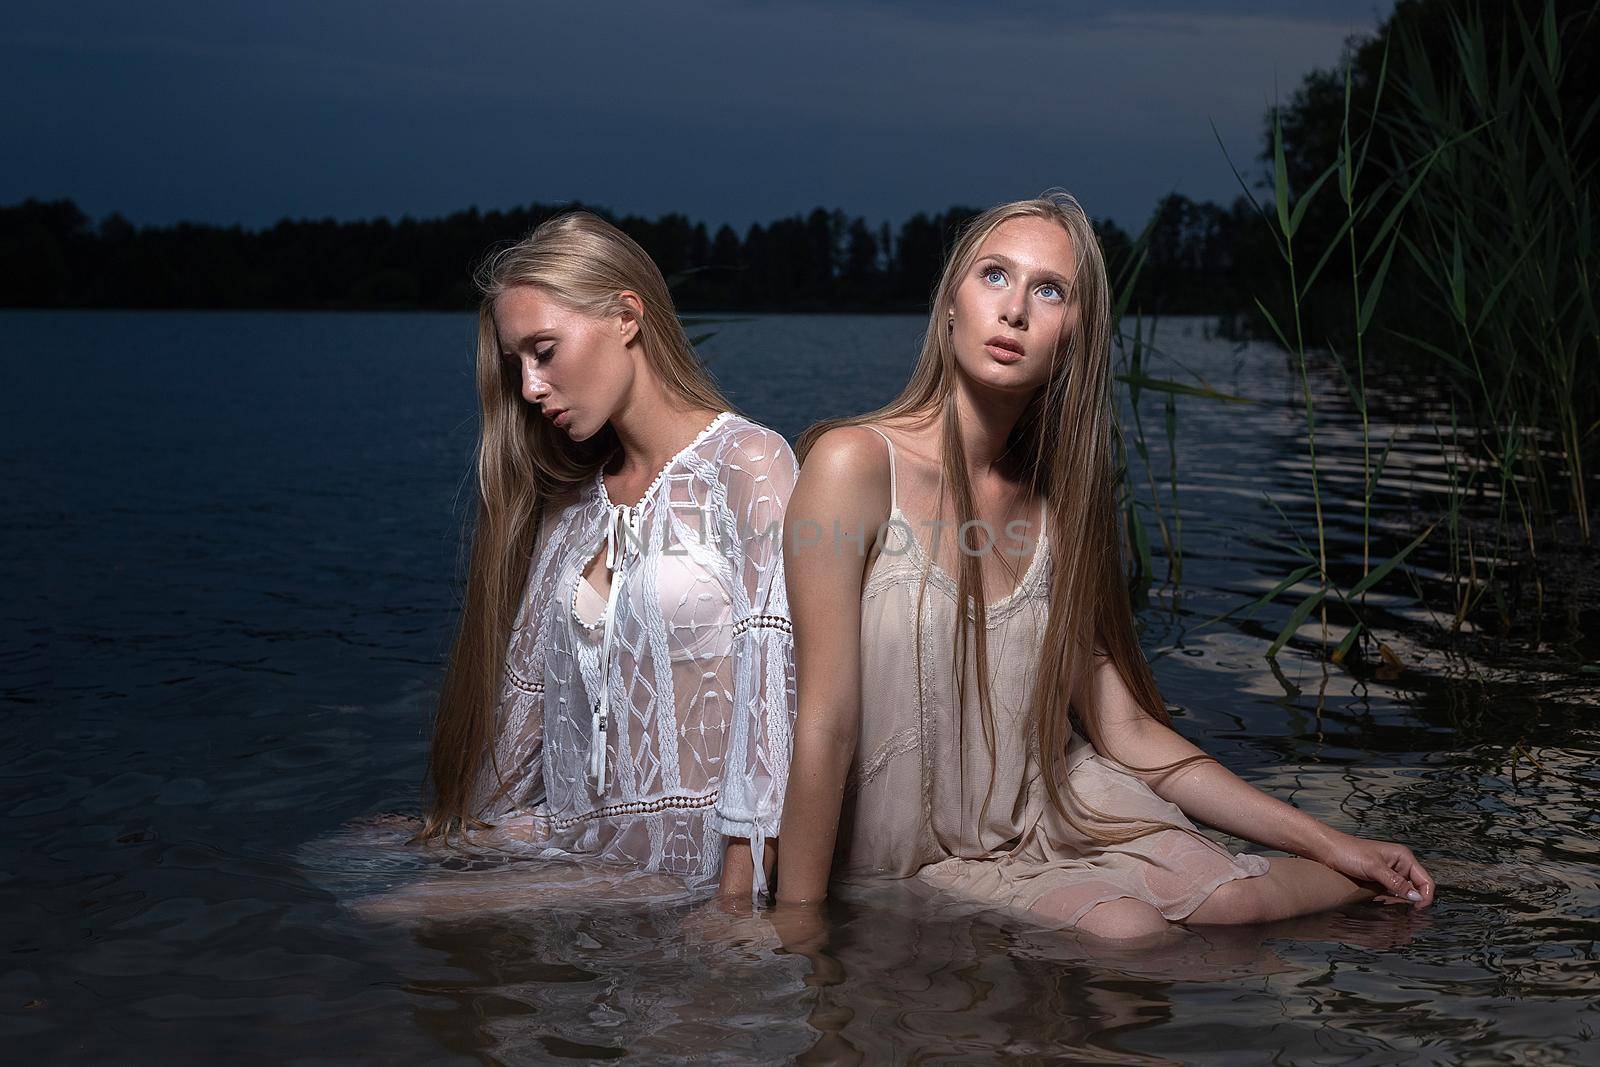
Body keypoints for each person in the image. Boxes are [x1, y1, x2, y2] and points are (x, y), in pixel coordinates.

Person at [773, 190, 1436, 939]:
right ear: (949, 304)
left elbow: (1124, 730)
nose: (1015, 309)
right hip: (905, 847)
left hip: (1049, 804)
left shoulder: (1061, 511)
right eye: (994, 275)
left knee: (1229, 902)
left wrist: (1331, 839)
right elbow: (822, 725)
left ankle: (1396, 881)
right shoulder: (854, 464)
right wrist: (802, 939)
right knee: (1130, 933)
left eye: (1048, 290)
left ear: (1075, 337)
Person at [412, 210, 797, 906]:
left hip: (692, 877)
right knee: (335, 861)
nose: (530, 387)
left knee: (375, 911)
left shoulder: (748, 462)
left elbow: (775, 703)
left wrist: (735, 909)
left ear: (626, 316)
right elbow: (519, 717)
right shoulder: (573, 513)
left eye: (545, 350)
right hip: (583, 857)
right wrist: (460, 840)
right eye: (517, 363)